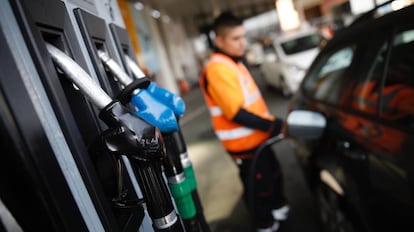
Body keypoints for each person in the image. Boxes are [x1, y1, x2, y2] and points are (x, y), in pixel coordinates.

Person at [199, 12, 289, 232]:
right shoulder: (218, 68)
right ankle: (265, 224)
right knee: (259, 189)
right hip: (245, 146)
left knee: (271, 179)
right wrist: (275, 125)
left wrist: (271, 128)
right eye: (236, 38)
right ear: (219, 41)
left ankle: (276, 211)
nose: (243, 43)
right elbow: (237, 113)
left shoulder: (233, 63)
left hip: (258, 139)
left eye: (243, 36)